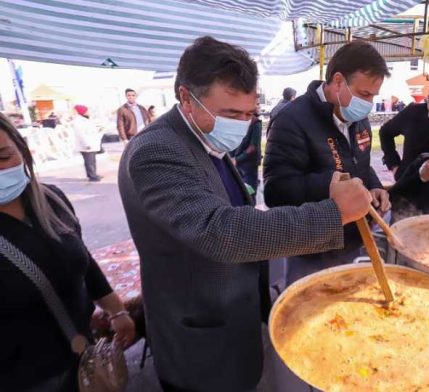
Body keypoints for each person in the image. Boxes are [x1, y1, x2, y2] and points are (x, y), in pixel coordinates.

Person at [118, 36, 372, 392]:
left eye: (250, 114)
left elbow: (238, 207)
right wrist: (332, 214)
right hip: (200, 333)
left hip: (237, 314)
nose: (242, 124)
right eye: (231, 114)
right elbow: (219, 230)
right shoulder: (156, 150)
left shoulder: (205, 137)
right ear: (186, 98)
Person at [0, 113, 135, 391]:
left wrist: (116, 311)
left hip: (83, 358)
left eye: (3, 157)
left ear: (22, 149)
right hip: (23, 378)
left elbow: (81, 260)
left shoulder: (51, 200)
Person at [263, 40, 390, 285]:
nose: (368, 103)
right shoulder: (292, 120)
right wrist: (328, 187)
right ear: (339, 81)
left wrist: (374, 186)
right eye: (364, 94)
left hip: (354, 238)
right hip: (312, 247)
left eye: (373, 96)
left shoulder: (359, 119)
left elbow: (361, 165)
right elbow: (275, 191)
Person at [233, 103, 263, 196]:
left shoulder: (252, 122)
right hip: (245, 163)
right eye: (257, 104)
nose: (259, 106)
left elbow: (252, 146)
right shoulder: (254, 122)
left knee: (248, 191)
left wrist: (235, 158)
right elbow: (252, 146)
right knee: (247, 191)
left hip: (244, 162)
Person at [71, 104, 103, 182]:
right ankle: (92, 176)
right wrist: (86, 144)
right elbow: (80, 134)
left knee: (92, 160)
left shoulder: (86, 119)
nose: (89, 112)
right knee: (89, 161)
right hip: (86, 145)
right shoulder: (78, 121)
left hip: (92, 143)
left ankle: (93, 174)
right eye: (87, 110)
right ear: (83, 112)